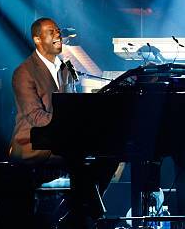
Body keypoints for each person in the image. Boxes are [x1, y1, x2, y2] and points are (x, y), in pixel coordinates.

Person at [9, 17, 116, 228]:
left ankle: (76, 212)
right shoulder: (23, 72)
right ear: (38, 40)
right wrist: (70, 125)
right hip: (30, 142)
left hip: (61, 138)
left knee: (110, 155)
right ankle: (89, 215)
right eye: (51, 32)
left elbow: (72, 106)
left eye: (58, 31)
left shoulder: (66, 69)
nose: (58, 35)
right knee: (76, 157)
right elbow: (35, 117)